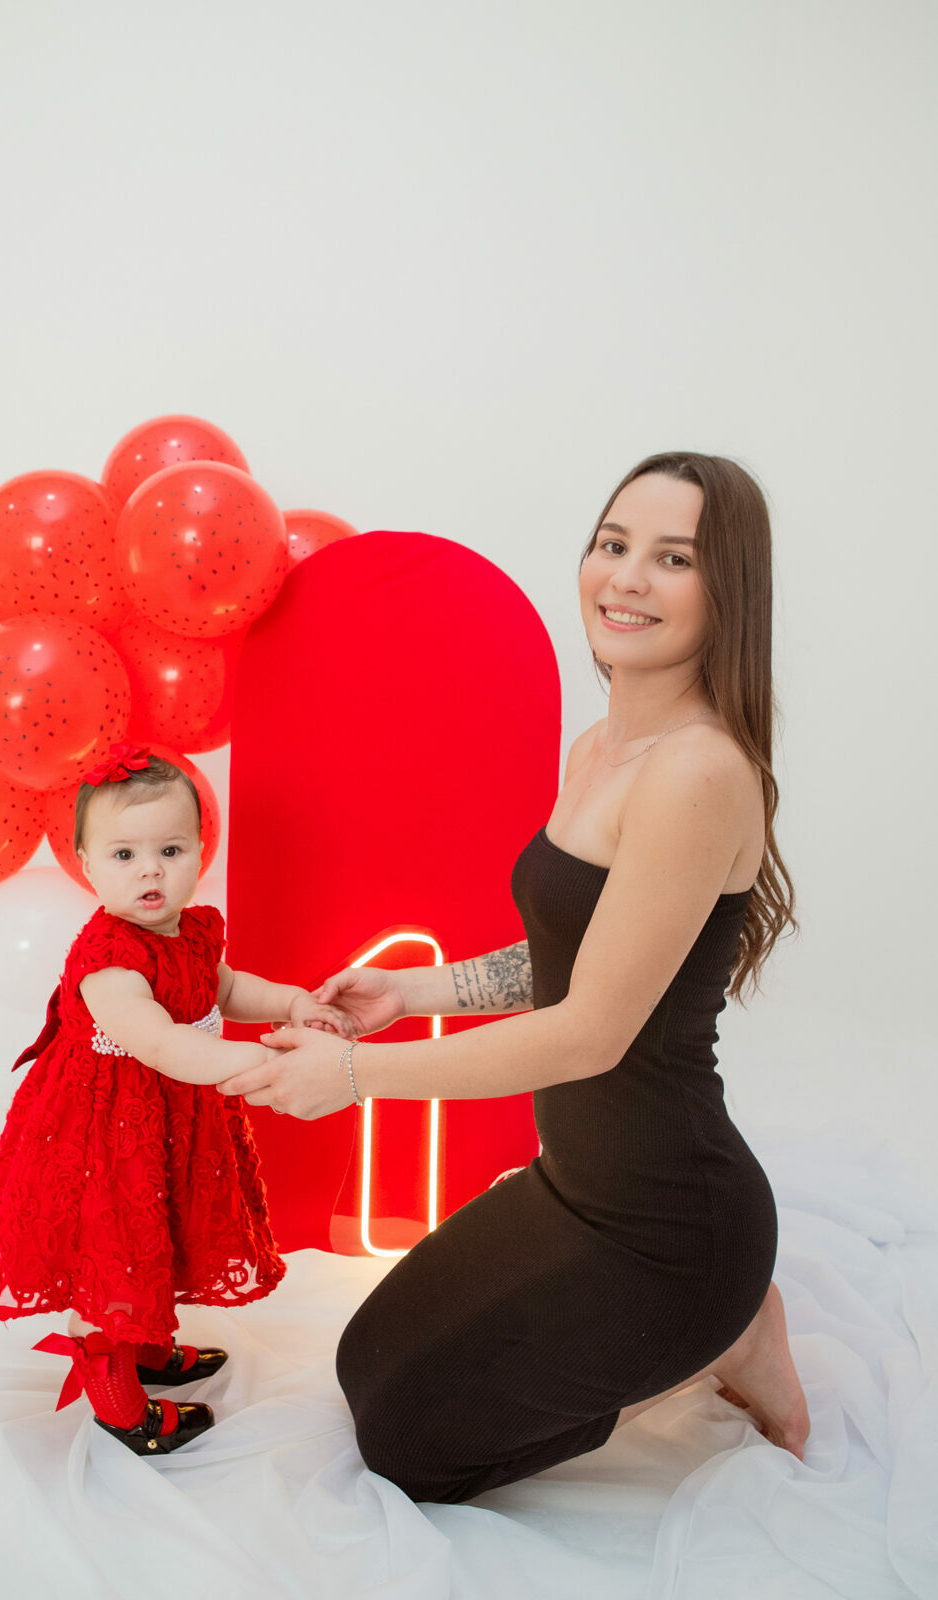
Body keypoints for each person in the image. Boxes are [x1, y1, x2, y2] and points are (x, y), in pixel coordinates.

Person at [217, 452, 812, 1502]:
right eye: (613, 544)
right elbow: (574, 956)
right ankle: (709, 1325)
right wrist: (413, 993)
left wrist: (354, 1077)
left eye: (673, 558)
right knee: (363, 1363)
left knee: (411, 1446)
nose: (626, 577)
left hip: (673, 1225)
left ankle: (726, 1332)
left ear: (728, 590)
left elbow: (590, 1031)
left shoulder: (698, 771)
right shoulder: (599, 749)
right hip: (576, 1186)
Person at [0, 745, 351, 1456]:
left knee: (164, 1229)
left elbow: (227, 988)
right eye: (124, 855)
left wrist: (294, 1003)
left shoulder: (192, 931)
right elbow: (162, 1044)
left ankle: (144, 1342)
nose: (150, 870)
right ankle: (119, 1404)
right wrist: (257, 1060)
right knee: (114, 1247)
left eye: (170, 850)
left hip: (167, 1123)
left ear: (201, 851)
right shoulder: (110, 962)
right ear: (86, 865)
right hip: (106, 1136)